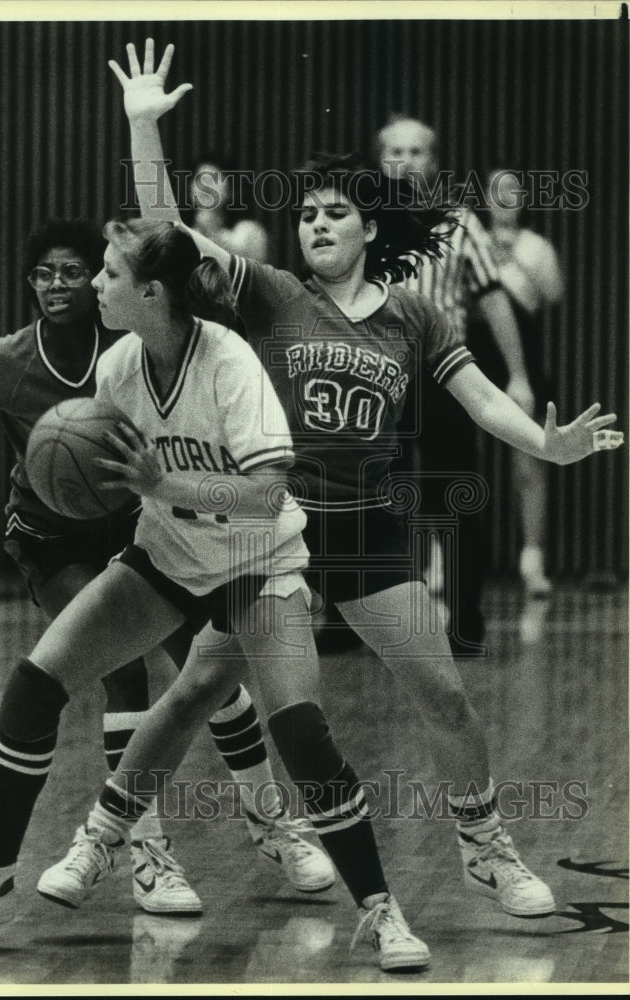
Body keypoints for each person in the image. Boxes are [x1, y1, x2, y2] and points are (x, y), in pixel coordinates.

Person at [96, 37, 623, 956]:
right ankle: (101, 838)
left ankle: (483, 844)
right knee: (192, 695)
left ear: (370, 228)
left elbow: (479, 395)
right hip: (269, 536)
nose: (317, 226)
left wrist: (549, 442)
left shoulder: (416, 314)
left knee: (444, 696)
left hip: (371, 533)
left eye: (335, 213)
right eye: (306, 215)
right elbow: (168, 237)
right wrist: (145, 129)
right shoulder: (267, 293)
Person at [0, 215, 431, 973]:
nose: (96, 286)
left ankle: (380, 910)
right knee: (34, 684)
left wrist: (165, 483)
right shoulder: (119, 369)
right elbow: (98, 474)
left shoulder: (229, 363)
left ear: (150, 291)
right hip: (168, 559)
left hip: (256, 565)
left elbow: (272, 496)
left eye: (109, 274)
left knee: (302, 733)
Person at [375, 116, 537, 652]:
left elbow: (493, 299)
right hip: (378, 380)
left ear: (435, 162)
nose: (405, 160)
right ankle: (370, 623)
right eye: (395, 150)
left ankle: (465, 621)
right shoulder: (359, 220)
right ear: (380, 159)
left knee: (454, 497)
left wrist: (516, 376)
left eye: (417, 151)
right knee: (374, 499)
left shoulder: (461, 222)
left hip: (445, 375)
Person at [476, 168, 564, 596]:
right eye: (497, 191)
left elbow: (554, 294)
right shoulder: (471, 239)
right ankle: (440, 561)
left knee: (529, 462)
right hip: (474, 355)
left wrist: (514, 262)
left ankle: (532, 561)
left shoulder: (537, 246)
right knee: (456, 458)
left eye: (513, 191)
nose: (505, 198)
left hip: (521, 360)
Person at [188, 152, 270, 262]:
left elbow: (246, 266)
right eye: (199, 178)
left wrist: (211, 231)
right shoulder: (177, 234)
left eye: (213, 178)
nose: (205, 185)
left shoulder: (250, 231)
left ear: (231, 189)